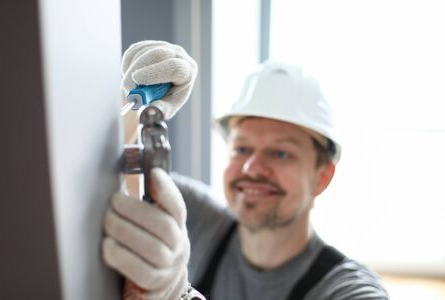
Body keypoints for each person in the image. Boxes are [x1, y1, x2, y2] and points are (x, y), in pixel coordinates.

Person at [102, 40, 390, 300]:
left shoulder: (345, 288)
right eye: (241, 149)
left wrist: (179, 296)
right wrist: (127, 106)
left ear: (322, 176)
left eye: (280, 153)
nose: (253, 167)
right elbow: (102, 178)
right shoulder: (197, 216)